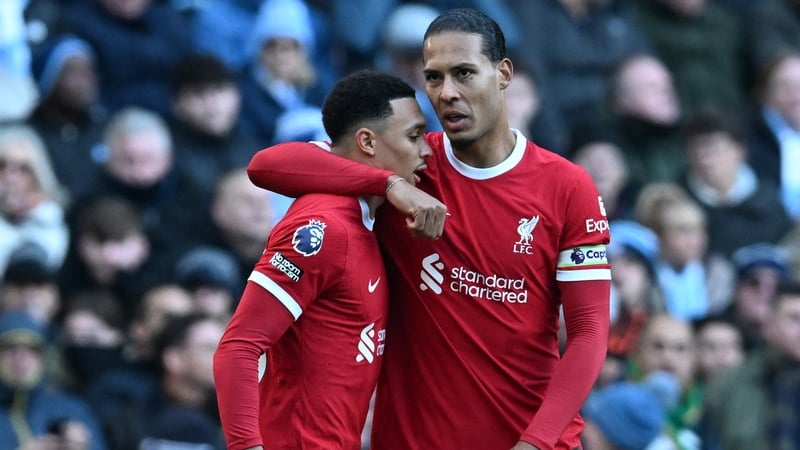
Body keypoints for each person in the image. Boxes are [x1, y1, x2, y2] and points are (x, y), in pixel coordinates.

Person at [245, 8, 611, 450]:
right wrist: (390, 184)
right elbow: (267, 166)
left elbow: (589, 331)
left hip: (531, 439)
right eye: (434, 78)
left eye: (464, 73)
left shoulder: (566, 186)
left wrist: (536, 442)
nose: (448, 93)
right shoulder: (413, 164)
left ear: (503, 73)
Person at [213, 69, 432, 449]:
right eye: (413, 136)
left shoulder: (368, 219)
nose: (426, 149)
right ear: (366, 141)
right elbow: (239, 347)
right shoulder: (325, 228)